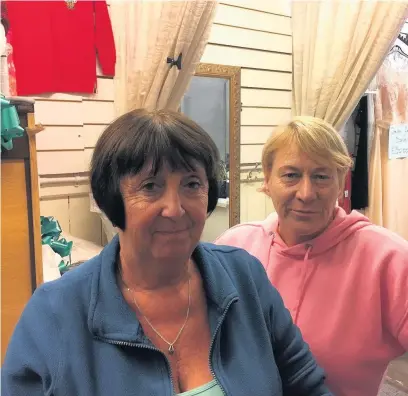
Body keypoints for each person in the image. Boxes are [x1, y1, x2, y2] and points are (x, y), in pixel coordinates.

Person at [2, 109, 333, 396]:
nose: (175, 209)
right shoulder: (57, 313)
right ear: (112, 199)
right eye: (150, 186)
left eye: (191, 184)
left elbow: (305, 383)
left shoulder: (244, 278)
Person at [215, 116, 408, 396]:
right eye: (291, 175)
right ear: (267, 179)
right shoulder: (236, 247)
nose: (306, 194)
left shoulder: (387, 259)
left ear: (341, 179)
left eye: (321, 176)